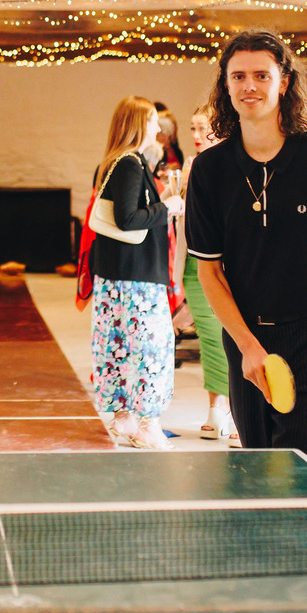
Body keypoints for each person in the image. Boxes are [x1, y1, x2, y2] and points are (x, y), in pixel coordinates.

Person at [185, 29, 307, 463]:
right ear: (226, 84)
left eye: (261, 75)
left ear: (284, 82)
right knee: (258, 466)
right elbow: (209, 272)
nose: (249, 86)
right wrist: (248, 347)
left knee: (297, 470)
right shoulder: (210, 172)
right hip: (246, 339)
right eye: (238, 77)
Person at [88, 97, 185, 450]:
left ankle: (124, 417)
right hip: (136, 279)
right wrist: (168, 208)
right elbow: (127, 219)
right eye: (153, 121)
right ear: (137, 124)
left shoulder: (116, 162)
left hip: (118, 275)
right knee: (151, 348)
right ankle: (147, 423)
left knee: (118, 347)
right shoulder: (130, 163)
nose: (159, 128)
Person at [177, 105, 236, 445]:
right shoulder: (191, 165)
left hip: (229, 265)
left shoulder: (235, 162)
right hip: (193, 264)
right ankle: (216, 409)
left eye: (203, 129)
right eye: (193, 129)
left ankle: (240, 410)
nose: (197, 137)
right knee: (211, 339)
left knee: (234, 339)